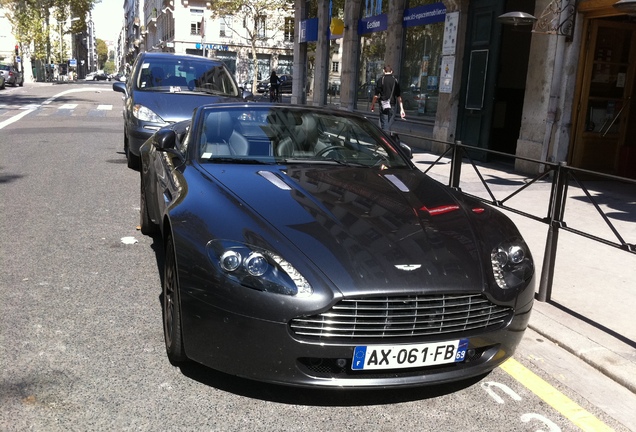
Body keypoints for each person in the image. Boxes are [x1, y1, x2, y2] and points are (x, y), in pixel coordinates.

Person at [370, 65, 406, 134]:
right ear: (391, 71)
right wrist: (402, 109)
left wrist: (373, 105)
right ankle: (384, 138)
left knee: (384, 125)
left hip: (383, 105)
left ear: (384, 71)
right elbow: (398, 96)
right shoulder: (395, 81)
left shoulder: (381, 80)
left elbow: (376, 95)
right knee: (386, 122)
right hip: (392, 105)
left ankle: (385, 141)